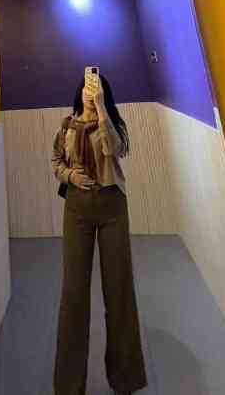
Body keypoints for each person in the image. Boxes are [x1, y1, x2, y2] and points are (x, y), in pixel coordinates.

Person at [51, 70, 147, 395]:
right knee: (73, 294)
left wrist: (102, 109)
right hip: (77, 208)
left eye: (97, 88)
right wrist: (70, 177)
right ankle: (68, 386)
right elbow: (56, 162)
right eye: (87, 88)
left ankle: (126, 379)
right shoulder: (66, 127)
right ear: (79, 93)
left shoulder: (112, 124)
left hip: (112, 207)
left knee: (119, 290)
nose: (90, 92)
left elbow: (113, 149)